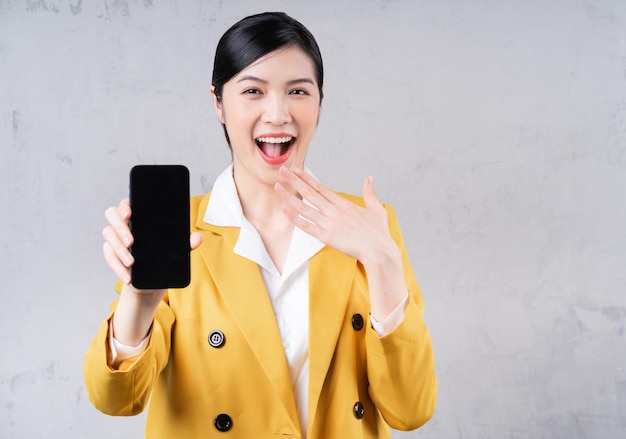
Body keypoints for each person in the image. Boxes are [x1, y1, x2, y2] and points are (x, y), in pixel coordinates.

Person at [84, 11, 437, 439]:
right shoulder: (178, 229)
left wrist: (382, 260)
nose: (278, 114)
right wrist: (139, 299)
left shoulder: (370, 227)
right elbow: (116, 400)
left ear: (320, 100)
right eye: (253, 90)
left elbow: (411, 409)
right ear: (218, 103)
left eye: (298, 91)